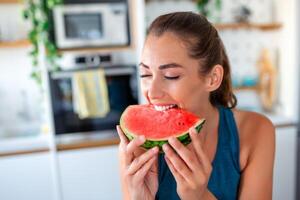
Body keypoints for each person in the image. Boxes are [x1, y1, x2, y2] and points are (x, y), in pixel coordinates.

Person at [116, 12, 275, 200]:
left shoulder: (254, 131)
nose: (152, 92)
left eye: (171, 76)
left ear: (212, 78)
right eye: (145, 75)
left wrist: (200, 196)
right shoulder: (138, 146)